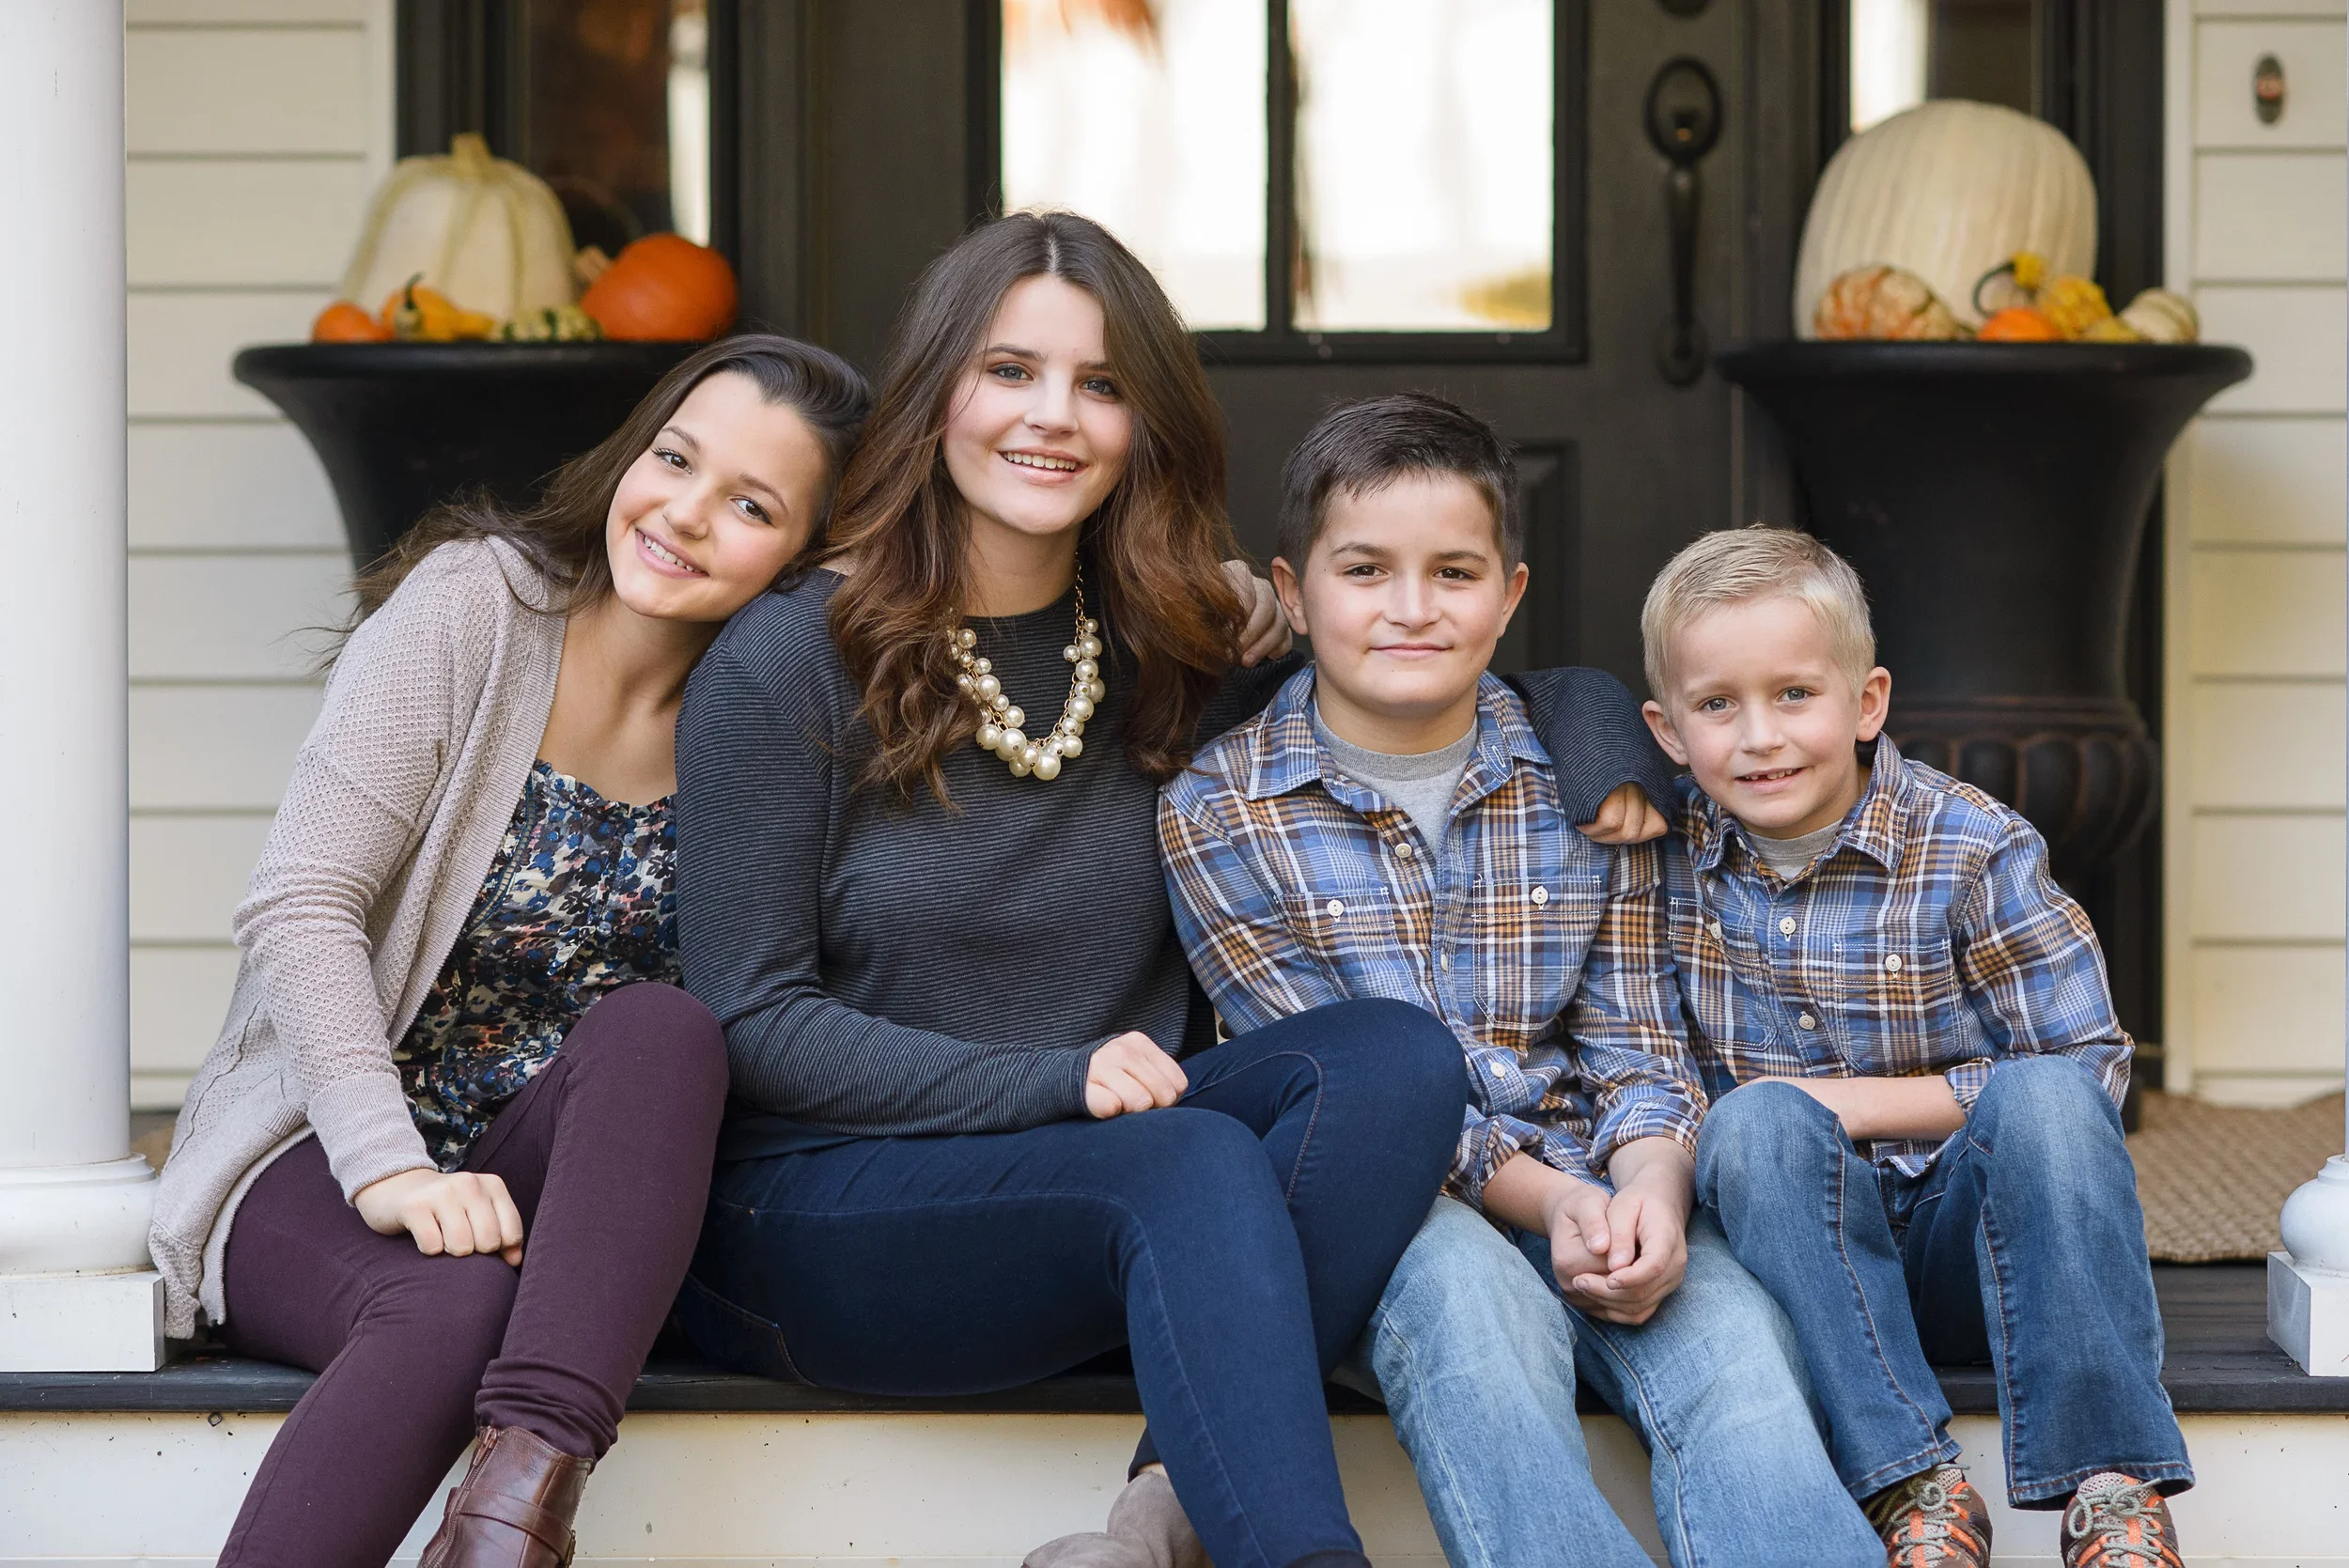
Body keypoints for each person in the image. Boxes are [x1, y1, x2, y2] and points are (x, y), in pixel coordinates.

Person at [671, 212, 1672, 1568]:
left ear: (1144, 422)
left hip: (1116, 1187)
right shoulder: (788, 658)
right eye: (1009, 371)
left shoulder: (1165, 648)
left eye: (1100, 383)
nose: (1053, 416)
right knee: (1192, 1157)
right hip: (831, 1219)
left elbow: (1419, 670)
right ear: (936, 392)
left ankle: (1159, 1514)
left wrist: (1602, 723)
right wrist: (1055, 1080)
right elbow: (750, 1021)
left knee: (1396, 1059)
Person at [148, 335, 873, 1568]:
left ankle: (513, 1522)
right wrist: (391, 1170)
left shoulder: (779, 718)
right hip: (322, 1146)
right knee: (449, 1299)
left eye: (751, 505)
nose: (684, 514)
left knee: (663, 1032)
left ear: (809, 557)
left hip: (561, 1203)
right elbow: (301, 901)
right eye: (674, 459)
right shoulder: (477, 604)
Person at [1159, 395, 1879, 1568]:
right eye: (1364, 570)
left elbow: (1639, 1041)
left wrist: (1652, 1186)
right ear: (1292, 593)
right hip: (1390, 1206)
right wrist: (1551, 1205)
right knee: (1472, 1315)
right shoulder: (1217, 811)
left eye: (1453, 572)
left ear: (1509, 594)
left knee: (1737, 1345)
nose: (1410, 607)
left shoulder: (1590, 784)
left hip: (1597, 1172)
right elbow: (1343, 1098)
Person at [1639, 527, 2193, 1568]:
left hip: (1973, 1252)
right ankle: (1915, 1485)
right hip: (1797, 1264)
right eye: (1716, 704)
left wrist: (1853, 1101)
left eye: (1794, 693)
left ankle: (2110, 1490)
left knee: (2045, 1098)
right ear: (1667, 730)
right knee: (1754, 1123)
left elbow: (2089, 1065)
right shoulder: (1655, 857)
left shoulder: (1969, 843)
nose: (1759, 736)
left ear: (1867, 701)